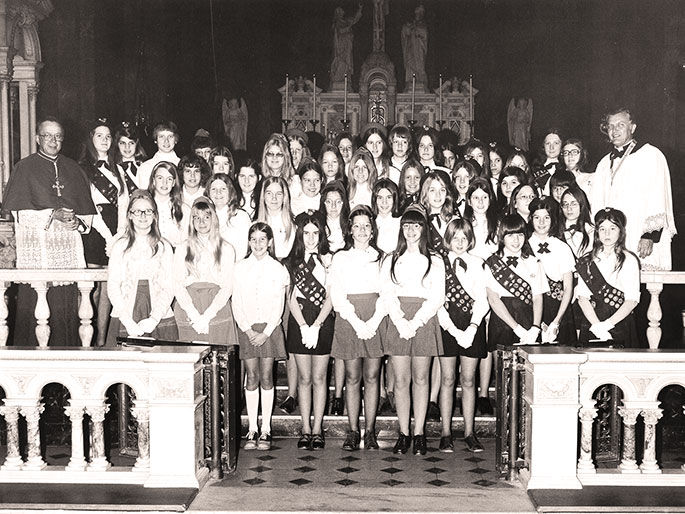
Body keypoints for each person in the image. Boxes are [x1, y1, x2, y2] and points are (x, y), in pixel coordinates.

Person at [2, 116, 97, 346]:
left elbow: (86, 215)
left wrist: (78, 224)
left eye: (58, 136)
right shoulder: (24, 168)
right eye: (47, 136)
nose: (53, 141)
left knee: (64, 312)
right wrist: (51, 214)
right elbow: (19, 214)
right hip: (38, 254)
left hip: (66, 255)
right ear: (37, 138)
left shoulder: (73, 169)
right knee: (33, 310)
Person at [381, 204, 445, 455]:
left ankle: (419, 433)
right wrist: (399, 321)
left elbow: (437, 297)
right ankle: (403, 432)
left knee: (421, 378)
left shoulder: (435, 259)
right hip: (398, 319)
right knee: (401, 380)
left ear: (424, 228)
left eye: (416, 225)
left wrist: (415, 322)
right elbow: (387, 293)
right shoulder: (391, 258)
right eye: (406, 225)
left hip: (424, 319)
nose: (411, 230)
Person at [330, 205, 387, 450]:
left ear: (372, 230)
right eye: (357, 226)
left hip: (375, 317)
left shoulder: (383, 257)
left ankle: (371, 431)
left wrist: (373, 322)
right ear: (350, 230)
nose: (362, 230)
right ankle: (353, 431)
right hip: (349, 318)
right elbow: (337, 294)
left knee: (372, 376)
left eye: (366, 226)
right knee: (352, 377)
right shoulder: (340, 257)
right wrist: (356, 322)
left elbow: (387, 293)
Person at [590, 108, 676, 271]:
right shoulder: (603, 163)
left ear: (633, 127)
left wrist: (649, 235)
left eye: (620, 125)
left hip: (639, 235)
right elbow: (597, 204)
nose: (614, 131)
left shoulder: (650, 155)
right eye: (610, 126)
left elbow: (658, 195)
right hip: (611, 239)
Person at [233, 222, 290, 451]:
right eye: (254, 239)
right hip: (247, 329)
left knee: (267, 377)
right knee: (251, 377)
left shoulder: (277, 268)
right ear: (249, 242)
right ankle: (252, 428)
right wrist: (247, 330)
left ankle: (266, 428)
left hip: (269, 330)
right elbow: (236, 301)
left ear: (270, 242)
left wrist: (266, 332)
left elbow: (279, 304)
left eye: (262, 240)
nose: (258, 244)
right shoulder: (239, 268)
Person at [284, 211, 335, 450]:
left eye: (316, 233)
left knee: (319, 377)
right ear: (300, 234)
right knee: (304, 378)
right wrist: (304, 325)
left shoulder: (330, 260)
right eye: (306, 233)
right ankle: (305, 429)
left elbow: (331, 297)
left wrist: (317, 325)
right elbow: (291, 298)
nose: (311, 238)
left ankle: (317, 429)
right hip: (300, 320)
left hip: (322, 321)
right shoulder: (291, 261)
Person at [437, 219, 488, 453]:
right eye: (455, 237)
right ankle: (445, 433)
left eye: (464, 238)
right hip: (447, 327)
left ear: (470, 240)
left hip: (472, 327)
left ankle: (469, 433)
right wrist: (453, 330)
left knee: (469, 380)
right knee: (447, 380)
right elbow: (437, 301)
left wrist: (473, 327)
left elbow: (482, 299)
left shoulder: (478, 264)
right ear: (448, 238)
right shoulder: (438, 264)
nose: (459, 242)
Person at [106, 189, 178, 345]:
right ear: (130, 215)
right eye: (137, 211)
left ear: (154, 215)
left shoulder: (164, 246)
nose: (143, 216)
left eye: (148, 211)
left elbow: (169, 286)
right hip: (126, 312)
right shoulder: (120, 246)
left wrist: (154, 319)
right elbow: (113, 286)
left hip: (158, 312)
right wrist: (126, 320)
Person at [79, 119, 128, 347]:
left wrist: (118, 235)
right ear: (91, 138)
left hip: (115, 229)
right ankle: (85, 339)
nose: (105, 140)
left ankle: (101, 338)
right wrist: (109, 237)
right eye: (100, 135)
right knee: (91, 288)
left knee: (109, 286)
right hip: (94, 229)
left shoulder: (117, 168)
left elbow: (124, 202)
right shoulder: (83, 168)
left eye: (108, 136)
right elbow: (87, 205)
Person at [173, 197, 238, 345]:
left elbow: (228, 286)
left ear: (213, 218)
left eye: (206, 217)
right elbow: (177, 284)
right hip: (189, 307)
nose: (201, 222)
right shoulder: (182, 248)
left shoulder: (226, 248)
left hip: (216, 307)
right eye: (197, 218)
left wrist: (207, 316)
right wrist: (194, 316)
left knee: (218, 360)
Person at [576, 208, 640, 347]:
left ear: (621, 231)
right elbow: (582, 298)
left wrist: (607, 325)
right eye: (602, 229)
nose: (607, 233)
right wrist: (598, 327)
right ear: (597, 232)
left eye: (612, 228)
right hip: (592, 322)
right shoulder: (587, 261)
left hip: (620, 321)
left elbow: (632, 300)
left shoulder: (629, 260)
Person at [485, 214, 547, 349]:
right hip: (502, 321)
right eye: (510, 236)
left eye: (520, 235)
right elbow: (493, 299)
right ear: (502, 237)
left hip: (529, 320)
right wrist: (517, 328)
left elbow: (537, 298)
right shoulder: (492, 263)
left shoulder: (533, 262)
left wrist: (535, 328)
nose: (516, 240)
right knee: (502, 368)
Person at [527, 197, 576, 344]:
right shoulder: (523, 245)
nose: (541, 223)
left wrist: (556, 321)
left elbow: (568, 287)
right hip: (530, 309)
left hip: (558, 308)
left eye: (546, 217)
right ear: (530, 219)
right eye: (537, 217)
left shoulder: (562, 247)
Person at [206, 173, 251, 260]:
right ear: (208, 193)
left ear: (230, 192)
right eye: (214, 189)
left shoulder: (241, 216)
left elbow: (242, 250)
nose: (218, 193)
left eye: (223, 189)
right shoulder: (204, 216)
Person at [257, 176, 295, 260]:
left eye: (279, 193)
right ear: (263, 196)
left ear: (284, 197)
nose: (274, 198)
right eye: (269, 193)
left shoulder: (292, 225)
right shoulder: (255, 225)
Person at [147, 161, 184, 247]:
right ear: (153, 181)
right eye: (160, 178)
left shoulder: (184, 208)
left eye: (169, 179)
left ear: (174, 183)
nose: (165, 183)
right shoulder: (145, 207)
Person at [136, 120, 180, 189]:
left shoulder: (182, 165)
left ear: (176, 140)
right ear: (155, 140)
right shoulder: (146, 167)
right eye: (161, 136)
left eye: (170, 136)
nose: (166, 141)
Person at [330, 4, 363, 84]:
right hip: (341, 45)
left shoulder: (346, 21)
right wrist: (348, 28)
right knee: (341, 60)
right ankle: (338, 78)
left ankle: (346, 79)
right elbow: (340, 31)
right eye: (340, 11)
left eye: (342, 11)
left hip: (348, 44)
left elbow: (355, 19)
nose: (342, 12)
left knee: (347, 60)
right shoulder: (337, 23)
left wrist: (360, 9)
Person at [561, 185, 594, 259]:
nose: (569, 208)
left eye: (574, 204)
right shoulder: (556, 229)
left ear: (582, 205)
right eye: (565, 204)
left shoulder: (591, 231)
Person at [113, 122, 147, 192]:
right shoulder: (112, 167)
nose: (127, 147)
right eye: (122, 143)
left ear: (136, 144)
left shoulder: (146, 165)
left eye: (131, 143)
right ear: (117, 145)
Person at [401, 4, 428, 86]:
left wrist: (417, 31)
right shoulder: (409, 24)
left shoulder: (423, 25)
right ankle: (410, 80)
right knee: (410, 63)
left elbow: (424, 34)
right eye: (418, 11)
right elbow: (405, 32)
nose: (419, 14)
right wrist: (408, 30)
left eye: (421, 12)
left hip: (419, 49)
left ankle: (420, 79)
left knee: (420, 65)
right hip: (411, 48)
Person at [320, 180, 349, 253]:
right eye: (329, 201)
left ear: (343, 203)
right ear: (324, 203)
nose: (333, 206)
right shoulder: (318, 224)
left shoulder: (350, 224)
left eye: (338, 202)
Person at [531, 129, 563, 196]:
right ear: (543, 146)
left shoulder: (566, 167)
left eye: (556, 143)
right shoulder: (534, 168)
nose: (552, 147)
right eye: (548, 143)